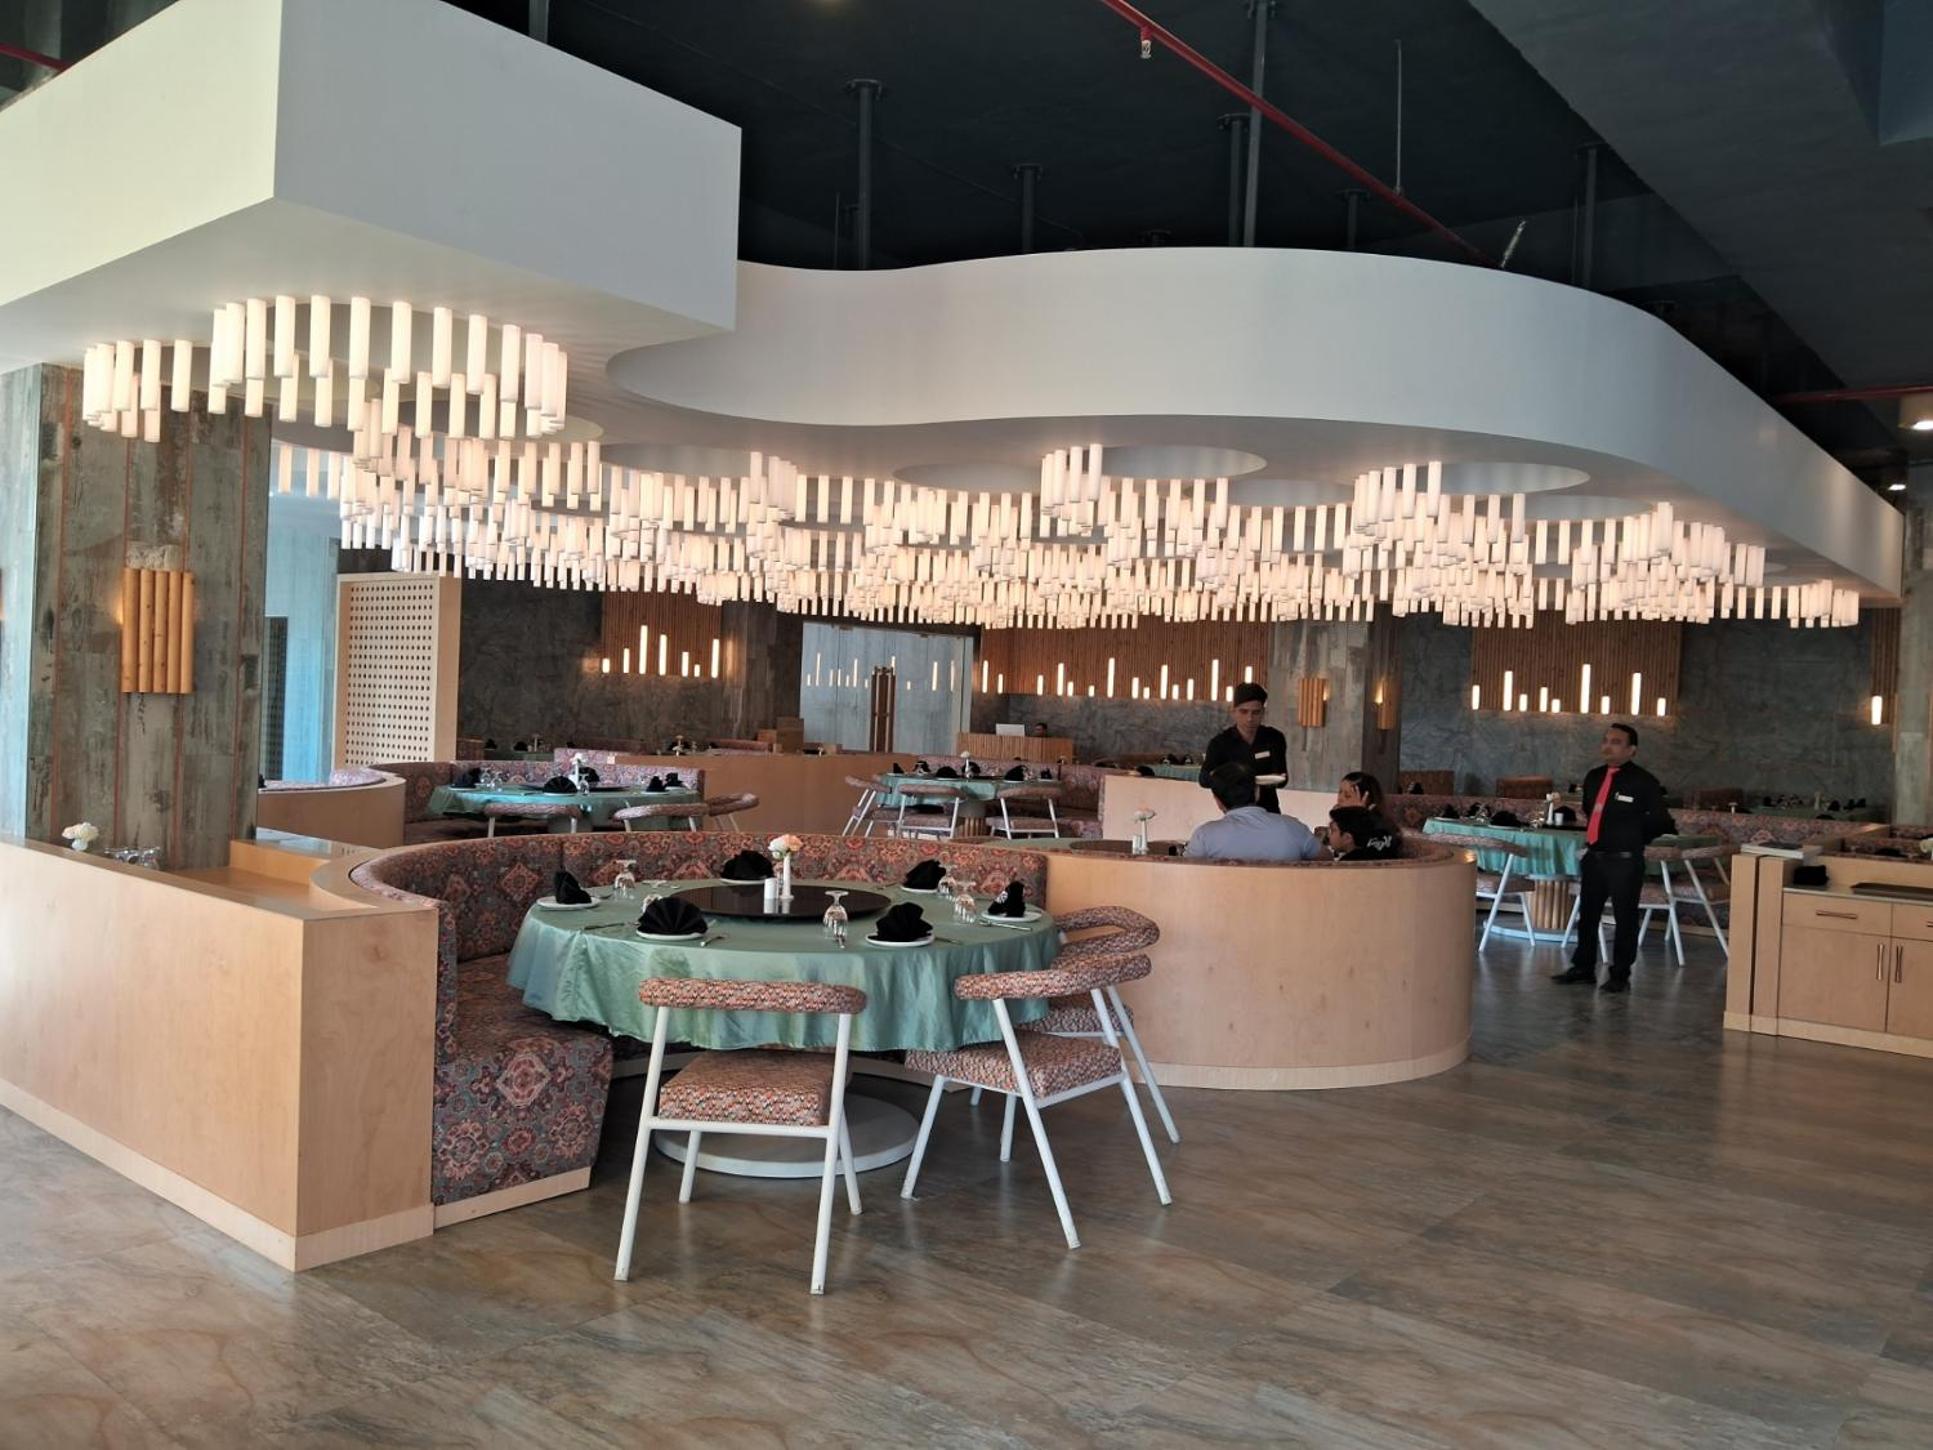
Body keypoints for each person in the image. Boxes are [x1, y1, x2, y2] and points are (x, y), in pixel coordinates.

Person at [1552, 723, 1674, 994]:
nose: (1608, 746)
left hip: (1625, 859)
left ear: (1632, 750)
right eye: (1606, 740)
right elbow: (1590, 810)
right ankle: (1583, 967)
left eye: (1616, 742)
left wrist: (1634, 837)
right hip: (1595, 855)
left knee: (1624, 917)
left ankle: (1620, 974)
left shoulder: (1643, 781)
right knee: (1588, 914)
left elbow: (1662, 821)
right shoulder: (1594, 776)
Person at [1185, 764, 1321, 862]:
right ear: (1257, 792)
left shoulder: (1205, 836)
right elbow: (1327, 862)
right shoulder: (1293, 828)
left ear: (1218, 801)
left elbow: (1185, 872)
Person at [1199, 682, 1289, 813]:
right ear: (1233, 711)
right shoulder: (1220, 743)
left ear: (1263, 713)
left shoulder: (1274, 738)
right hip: (1235, 812)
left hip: (1268, 810)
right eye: (1244, 712)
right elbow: (1204, 779)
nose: (1249, 718)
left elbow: (1282, 779)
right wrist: (1224, 778)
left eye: (1256, 712)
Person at [1328, 805, 1399, 860]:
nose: (1329, 836)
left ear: (1347, 838)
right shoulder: (1385, 853)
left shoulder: (1348, 863)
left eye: (1333, 830)